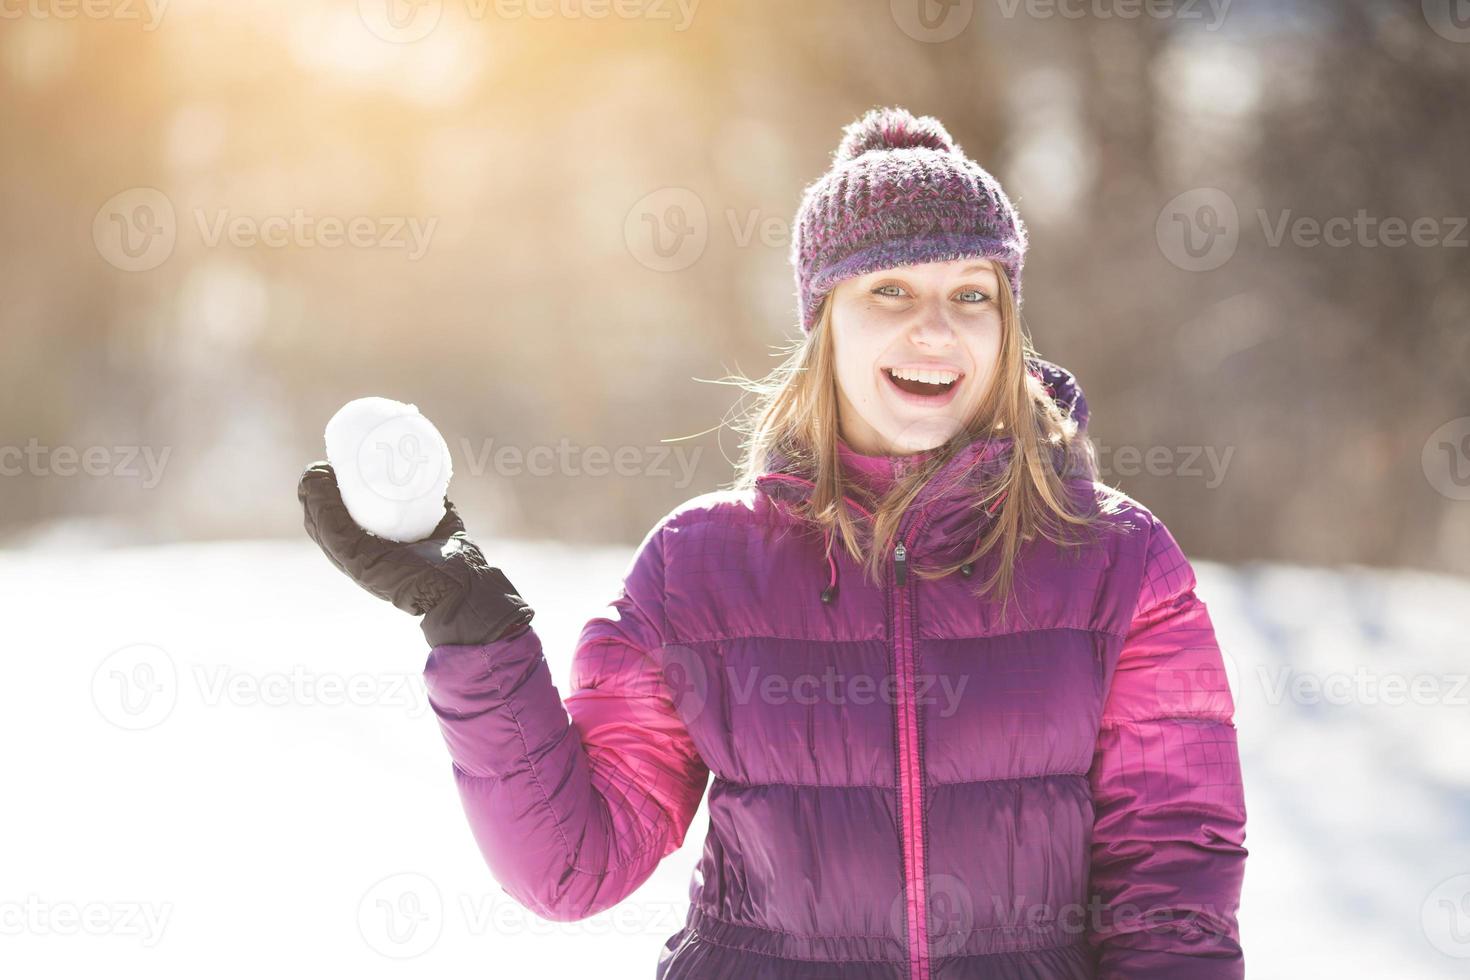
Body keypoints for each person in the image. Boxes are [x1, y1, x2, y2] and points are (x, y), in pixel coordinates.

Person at [298, 105, 1247, 979]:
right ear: (823, 323)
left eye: (972, 295)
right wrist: (476, 633)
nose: (935, 329)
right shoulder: (703, 568)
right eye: (889, 288)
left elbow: (1174, 874)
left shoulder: (1115, 562)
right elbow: (572, 865)